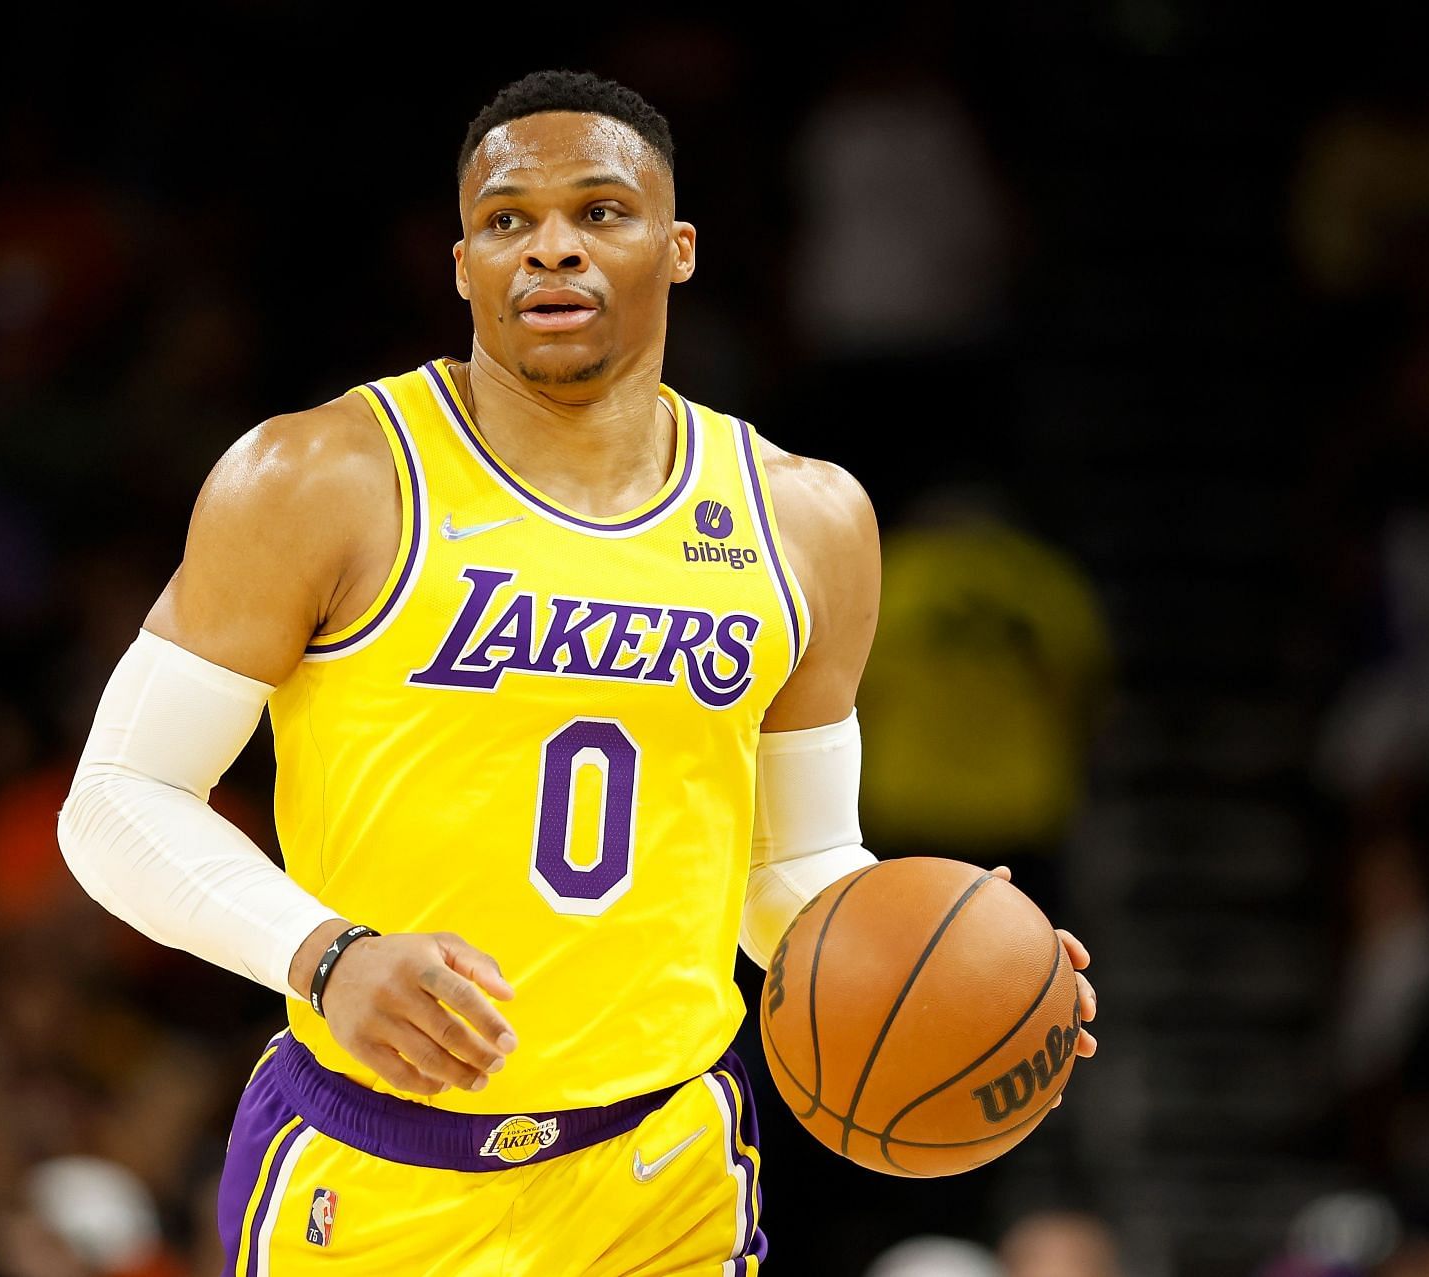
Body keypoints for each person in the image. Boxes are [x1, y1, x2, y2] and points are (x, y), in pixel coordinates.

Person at [55, 69, 1098, 1275]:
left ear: (680, 246)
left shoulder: (807, 518)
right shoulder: (317, 477)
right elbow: (117, 800)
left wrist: (966, 963)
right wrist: (325, 953)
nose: (552, 248)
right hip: (376, 1170)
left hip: (663, 1172)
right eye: (509, 220)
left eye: (601, 211)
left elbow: (794, 862)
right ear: (462, 265)